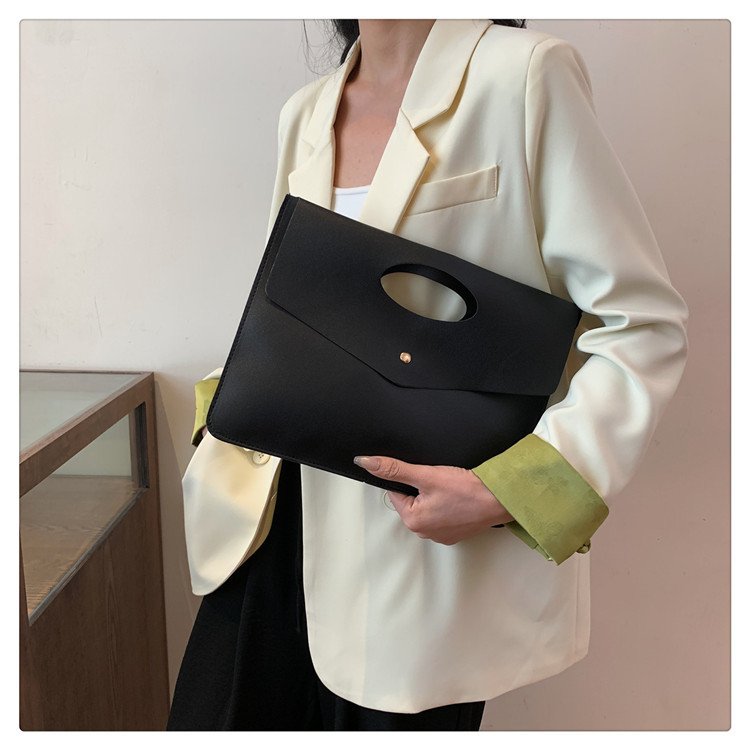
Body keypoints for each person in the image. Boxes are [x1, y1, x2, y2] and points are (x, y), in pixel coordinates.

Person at [167, 19, 689, 731]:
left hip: (413, 554)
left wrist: (513, 490)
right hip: (265, 527)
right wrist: (220, 410)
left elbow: (642, 324)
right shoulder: (306, 112)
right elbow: (284, 310)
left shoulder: (523, 75)